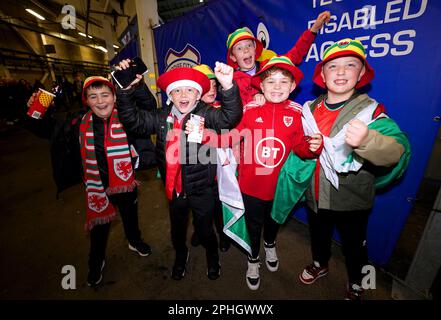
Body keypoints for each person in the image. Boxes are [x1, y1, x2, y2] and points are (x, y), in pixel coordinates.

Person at [193, 56, 323, 290]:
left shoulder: (297, 114)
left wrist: (311, 147)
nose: (277, 88)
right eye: (270, 82)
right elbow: (232, 137)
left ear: (293, 87)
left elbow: (299, 148)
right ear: (260, 86)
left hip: (279, 186)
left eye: (284, 82)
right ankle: (253, 257)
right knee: (253, 224)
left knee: (274, 222)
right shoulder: (250, 110)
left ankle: (270, 243)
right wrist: (204, 137)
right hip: (251, 185)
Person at [295, 38, 411, 299]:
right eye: (333, 66)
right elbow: (300, 149)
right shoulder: (311, 109)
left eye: (350, 65)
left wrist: (368, 140)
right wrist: (306, 147)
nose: (341, 71)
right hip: (315, 194)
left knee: (355, 246)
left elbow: (397, 150)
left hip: (352, 199)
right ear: (322, 75)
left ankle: (359, 283)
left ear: (360, 74)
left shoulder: (371, 110)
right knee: (318, 236)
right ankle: (319, 264)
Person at [115, 60, 243, 281]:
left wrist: (228, 87)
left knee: (205, 230)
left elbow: (230, 117)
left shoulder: (207, 114)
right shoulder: (160, 117)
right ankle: (181, 255)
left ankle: (212, 256)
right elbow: (133, 122)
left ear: (198, 94)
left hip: (202, 189)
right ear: (170, 96)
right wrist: (125, 92)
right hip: (173, 191)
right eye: (177, 90)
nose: (184, 95)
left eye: (190, 90)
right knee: (177, 232)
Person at [27, 76, 154, 287]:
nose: (100, 101)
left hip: (125, 182)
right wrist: (35, 109)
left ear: (115, 97)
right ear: (86, 100)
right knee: (99, 228)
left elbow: (149, 108)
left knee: (130, 215)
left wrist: (137, 86)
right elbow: (46, 130)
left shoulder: (128, 117)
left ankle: (134, 241)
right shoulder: (78, 121)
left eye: (105, 95)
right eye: (93, 96)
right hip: (97, 186)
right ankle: (96, 260)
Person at [226, 11, 331, 105]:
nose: (246, 50)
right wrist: (253, 99)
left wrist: (313, 30)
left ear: (255, 49)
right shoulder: (231, 81)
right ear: (233, 57)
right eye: (239, 48)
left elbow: (296, 53)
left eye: (249, 45)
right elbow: (233, 110)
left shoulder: (270, 65)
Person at [189, 64, 231, 252]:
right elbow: (192, 145)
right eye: (207, 86)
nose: (212, 90)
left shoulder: (224, 110)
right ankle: (200, 230)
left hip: (221, 172)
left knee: (219, 208)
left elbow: (231, 137)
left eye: (215, 86)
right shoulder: (191, 111)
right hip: (199, 173)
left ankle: (223, 234)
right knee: (200, 209)